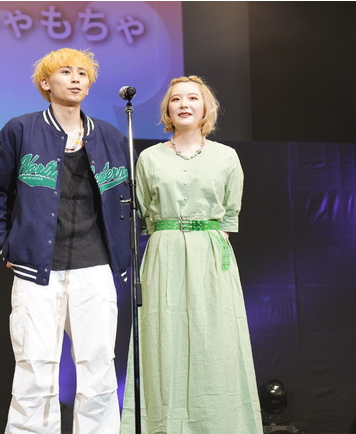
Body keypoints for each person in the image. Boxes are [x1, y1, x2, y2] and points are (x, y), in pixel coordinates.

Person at [0, 48, 132, 434]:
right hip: (36, 269)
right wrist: (5, 244)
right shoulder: (21, 130)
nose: (76, 78)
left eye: (82, 73)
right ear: (46, 83)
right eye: (66, 72)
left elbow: (127, 199)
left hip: (95, 267)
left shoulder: (110, 136)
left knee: (98, 368)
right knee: (35, 369)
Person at [120, 75, 263, 433]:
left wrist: (204, 243)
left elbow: (229, 214)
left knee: (214, 339)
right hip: (164, 251)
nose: (184, 104)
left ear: (205, 108)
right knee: (162, 339)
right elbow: (144, 211)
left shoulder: (226, 156)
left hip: (209, 253)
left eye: (192, 98)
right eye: (176, 99)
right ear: (167, 109)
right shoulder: (149, 158)